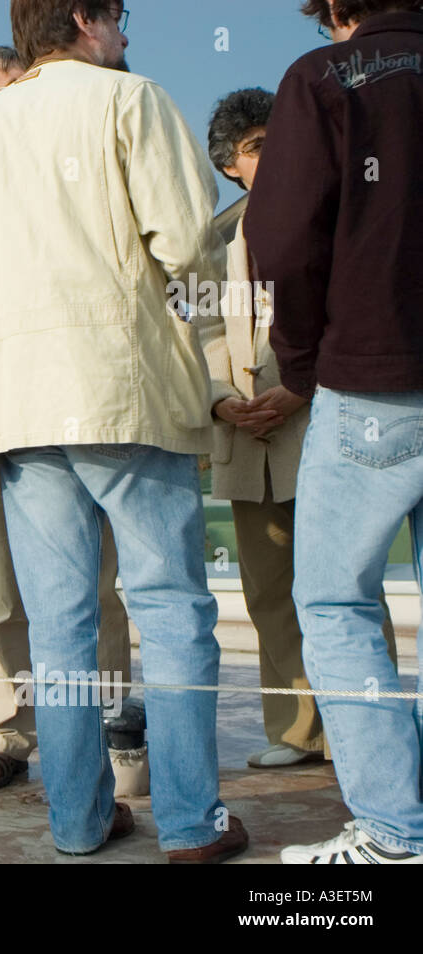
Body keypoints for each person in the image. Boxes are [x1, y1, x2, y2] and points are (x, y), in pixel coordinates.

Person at [0, 0, 247, 861]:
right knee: (172, 607)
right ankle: (189, 823)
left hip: (15, 404)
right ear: (85, 17)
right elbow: (187, 243)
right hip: (119, 388)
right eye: (118, 16)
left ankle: (76, 821)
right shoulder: (128, 98)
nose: (126, 32)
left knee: (60, 622)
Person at [0, 42, 132, 790]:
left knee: (97, 578)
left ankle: (111, 721)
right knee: (0, 584)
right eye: (19, 86)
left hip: (76, 399)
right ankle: (5, 731)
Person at [244, 0, 423, 864]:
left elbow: (278, 239)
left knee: (338, 605)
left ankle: (395, 832)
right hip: (371, 369)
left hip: (373, 375)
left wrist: (306, 361)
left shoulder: (323, 79)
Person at [202, 88, 397, 771]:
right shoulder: (213, 235)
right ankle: (296, 732)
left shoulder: (337, 210)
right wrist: (221, 398)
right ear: (230, 166)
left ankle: (371, 735)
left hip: (320, 418)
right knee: (266, 592)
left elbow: (354, 308)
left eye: (276, 136)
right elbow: (194, 327)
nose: (273, 150)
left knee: (347, 588)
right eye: (255, 146)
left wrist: (298, 386)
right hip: (245, 434)